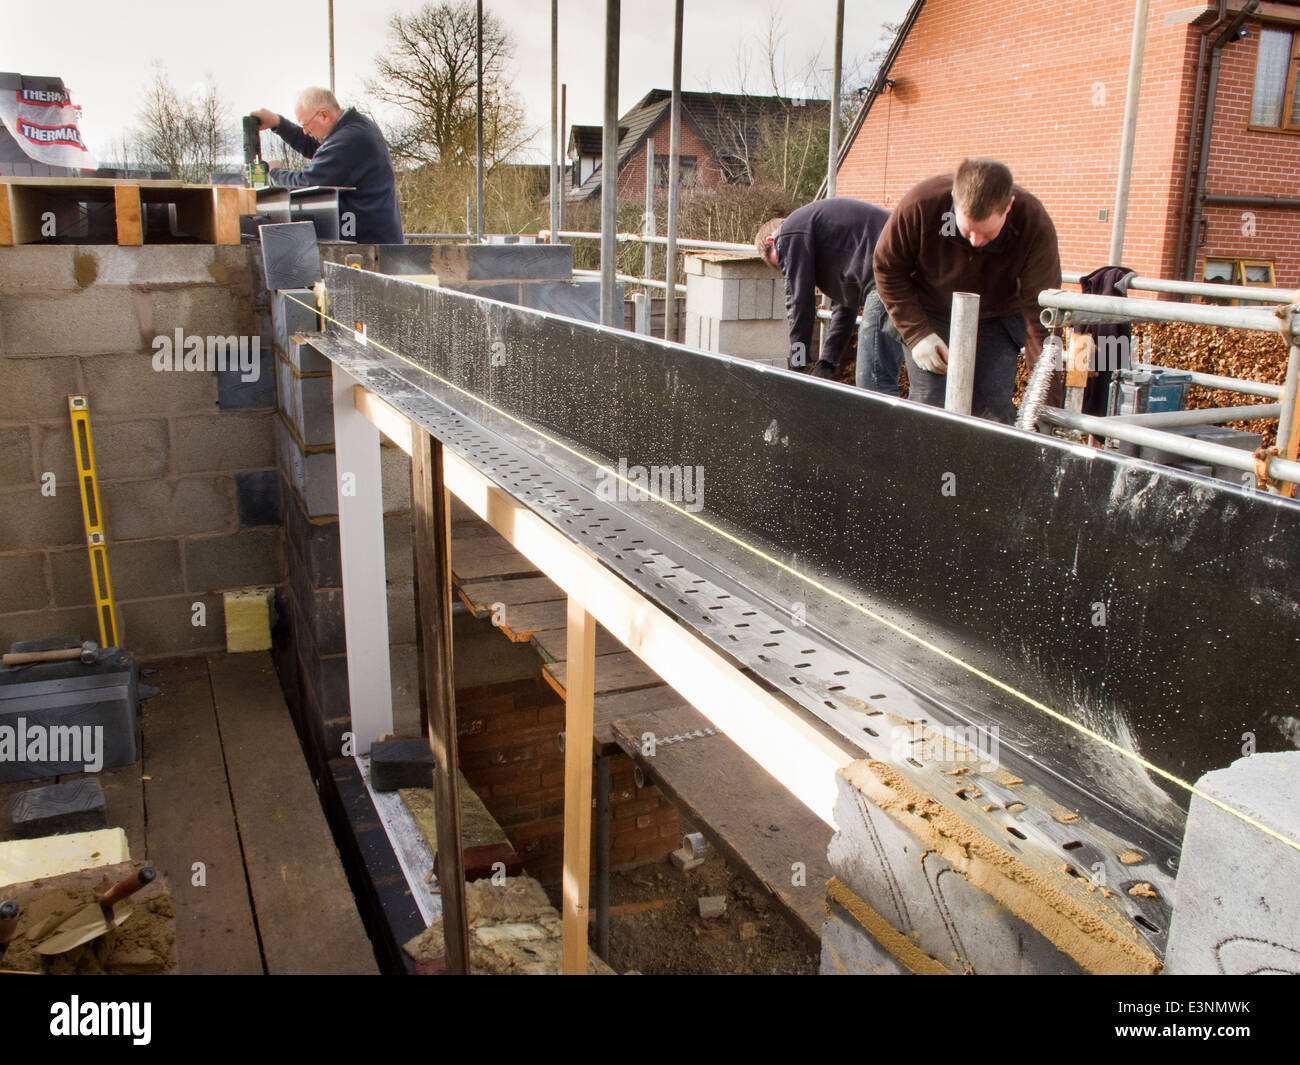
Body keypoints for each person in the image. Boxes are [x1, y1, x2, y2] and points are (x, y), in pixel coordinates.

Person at [872, 157, 1062, 422]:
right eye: (968, 230)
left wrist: (1048, 409)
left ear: (1008, 207)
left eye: (987, 233)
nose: (976, 242)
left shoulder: (1033, 224)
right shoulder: (921, 205)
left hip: (997, 317)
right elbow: (887, 267)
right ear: (954, 200)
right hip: (931, 311)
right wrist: (916, 334)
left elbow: (1042, 316)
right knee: (931, 406)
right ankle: (928, 462)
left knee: (993, 410)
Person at [756, 198, 904, 383]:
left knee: (872, 380)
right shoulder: (833, 243)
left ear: (772, 239)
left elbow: (799, 301)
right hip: (910, 273)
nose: (789, 269)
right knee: (924, 384)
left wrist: (798, 364)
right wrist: (827, 361)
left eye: (784, 262)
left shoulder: (787, 233)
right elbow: (845, 306)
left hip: (889, 277)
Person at [251, 87, 404, 245]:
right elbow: (316, 148)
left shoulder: (349, 140)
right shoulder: (357, 127)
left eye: (305, 124)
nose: (304, 131)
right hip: (379, 242)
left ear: (324, 115)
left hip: (372, 247)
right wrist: (278, 123)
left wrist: (274, 172)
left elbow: (306, 183)